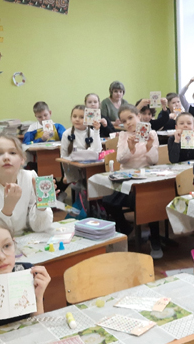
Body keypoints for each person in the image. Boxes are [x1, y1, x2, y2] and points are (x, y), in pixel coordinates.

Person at [103, 105, 162, 257]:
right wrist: (130, 147)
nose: (128, 123)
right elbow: (120, 159)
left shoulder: (151, 133)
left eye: (130, 118)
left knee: (152, 201)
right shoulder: (124, 136)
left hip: (147, 179)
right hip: (127, 181)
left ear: (138, 116)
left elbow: (154, 160)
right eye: (124, 121)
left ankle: (155, 240)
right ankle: (126, 228)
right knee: (108, 201)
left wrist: (149, 146)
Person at [0, 134, 53, 235]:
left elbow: (40, 227)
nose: (6, 157)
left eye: (12, 153)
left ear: (22, 159)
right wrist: (7, 209)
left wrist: (41, 205)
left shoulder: (30, 177)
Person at [60, 105, 102, 182]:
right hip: (73, 169)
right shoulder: (66, 134)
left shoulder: (92, 133)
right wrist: (66, 175)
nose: (77, 119)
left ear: (88, 119)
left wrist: (96, 131)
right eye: (74, 116)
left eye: (81, 117)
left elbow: (97, 150)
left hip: (90, 167)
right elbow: (63, 156)